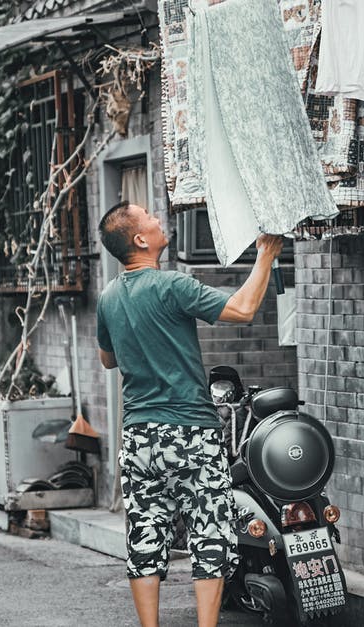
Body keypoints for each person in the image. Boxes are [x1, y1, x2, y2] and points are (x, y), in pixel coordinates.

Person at [95, 201, 284, 627]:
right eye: (151, 219)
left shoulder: (108, 297)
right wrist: (267, 254)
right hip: (189, 432)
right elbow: (242, 310)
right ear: (140, 239)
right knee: (210, 534)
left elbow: (108, 360)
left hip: (139, 436)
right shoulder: (172, 286)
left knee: (145, 535)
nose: (160, 221)